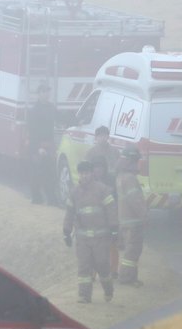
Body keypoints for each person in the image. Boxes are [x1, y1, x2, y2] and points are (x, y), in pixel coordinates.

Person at [63, 160, 118, 303]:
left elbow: (111, 209)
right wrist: (66, 231)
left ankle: (108, 289)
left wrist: (114, 228)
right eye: (82, 173)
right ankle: (84, 296)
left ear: (91, 174)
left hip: (100, 238)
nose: (84, 176)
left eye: (87, 173)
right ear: (79, 175)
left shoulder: (102, 189)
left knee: (102, 265)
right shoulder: (74, 193)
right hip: (82, 239)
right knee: (84, 267)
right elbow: (69, 213)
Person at [85, 126, 120, 275]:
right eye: (100, 135)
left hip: (109, 211)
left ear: (108, 136)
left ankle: (113, 271)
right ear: (96, 137)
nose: (102, 138)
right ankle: (93, 272)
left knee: (112, 242)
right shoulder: (91, 152)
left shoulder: (114, 152)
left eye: (105, 135)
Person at [116, 145, 149, 287]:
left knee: (132, 250)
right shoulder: (129, 179)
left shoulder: (121, 176)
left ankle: (132, 278)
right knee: (132, 251)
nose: (137, 164)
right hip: (133, 222)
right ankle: (126, 278)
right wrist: (145, 215)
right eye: (135, 161)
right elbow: (135, 200)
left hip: (125, 221)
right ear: (131, 161)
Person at [26, 82, 59, 205]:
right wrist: (37, 148)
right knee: (36, 175)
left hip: (49, 145)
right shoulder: (34, 111)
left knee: (50, 174)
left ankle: (52, 199)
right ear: (39, 94)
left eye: (48, 92)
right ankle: (36, 198)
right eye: (44, 92)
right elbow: (32, 131)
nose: (47, 94)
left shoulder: (51, 108)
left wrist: (76, 120)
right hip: (37, 146)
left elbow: (60, 118)